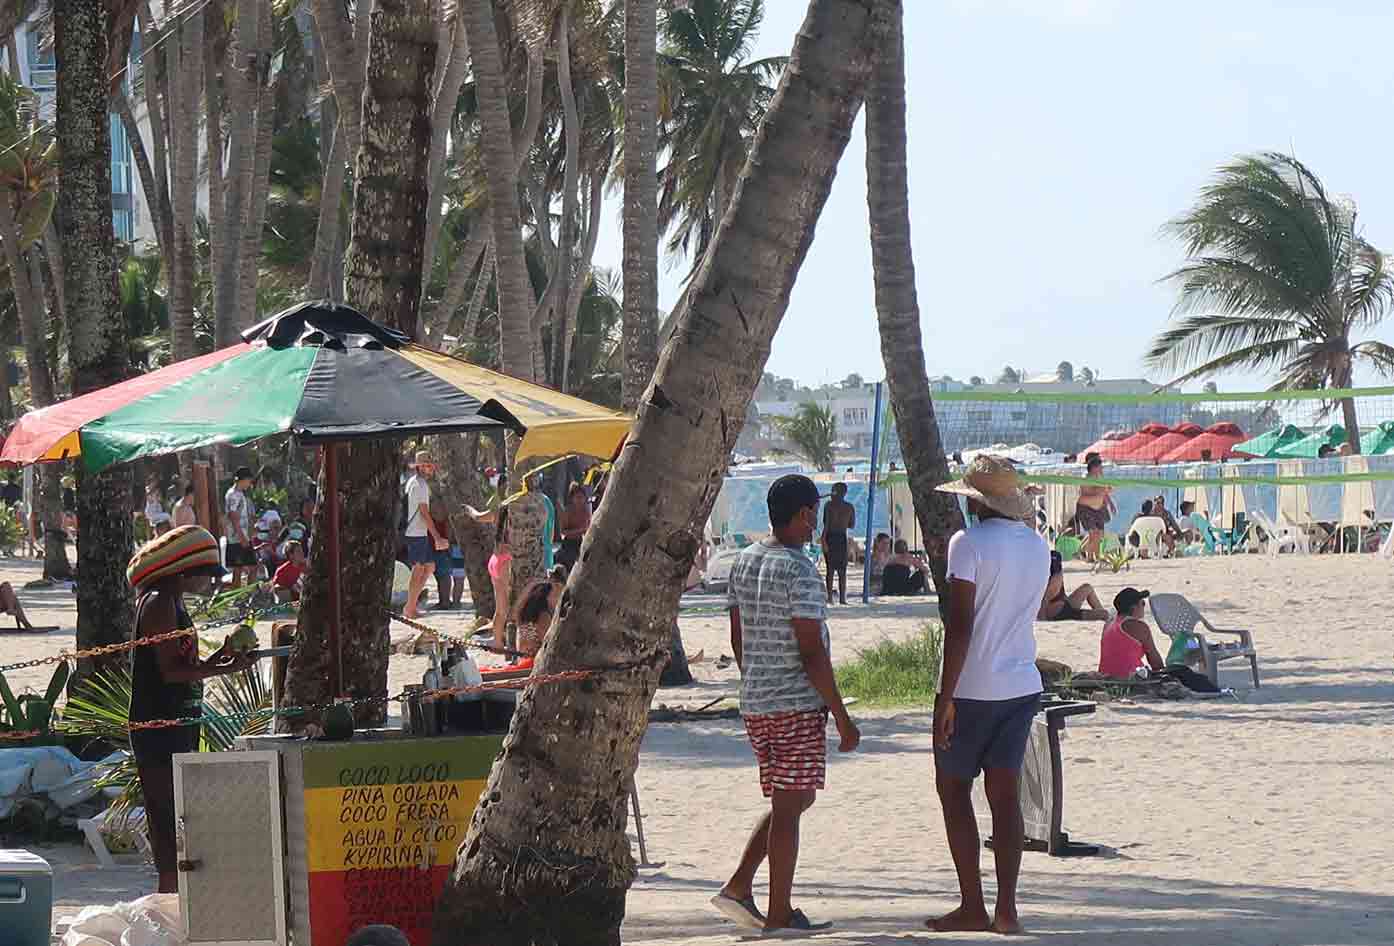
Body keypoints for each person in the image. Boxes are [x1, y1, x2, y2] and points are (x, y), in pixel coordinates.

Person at [713, 475, 859, 934]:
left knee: (790, 799)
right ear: (803, 514)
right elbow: (812, 652)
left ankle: (738, 886)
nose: (815, 520)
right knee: (791, 805)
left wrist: (756, 676)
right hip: (795, 704)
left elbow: (737, 636)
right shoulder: (799, 571)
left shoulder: (744, 562)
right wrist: (842, 716)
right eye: (812, 512)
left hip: (756, 701)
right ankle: (779, 912)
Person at [931, 455, 1048, 934]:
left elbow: (961, 625)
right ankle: (1007, 910)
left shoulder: (968, 543)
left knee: (953, 789)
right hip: (1021, 682)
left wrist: (945, 695)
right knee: (1004, 796)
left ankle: (972, 905)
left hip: (974, 686)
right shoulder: (1038, 547)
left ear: (976, 503)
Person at [127, 526, 253, 893]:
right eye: (205, 575)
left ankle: (177, 893)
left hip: (179, 721)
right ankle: (167, 894)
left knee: (180, 812)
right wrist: (226, 669)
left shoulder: (175, 603)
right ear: (182, 572)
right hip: (157, 726)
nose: (209, 583)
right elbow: (171, 672)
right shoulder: (158, 603)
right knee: (164, 816)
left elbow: (187, 665)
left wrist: (219, 657)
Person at [1101, 588, 1218, 692]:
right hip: (1130, 679)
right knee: (1182, 671)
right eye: (1142, 603)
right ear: (1133, 608)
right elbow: (1155, 662)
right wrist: (1165, 676)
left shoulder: (1109, 624)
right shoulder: (1138, 626)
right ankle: (1215, 691)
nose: (1144, 606)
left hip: (1105, 678)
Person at [402, 452, 445, 620]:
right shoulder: (419, 484)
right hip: (415, 533)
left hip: (418, 532)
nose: (430, 468)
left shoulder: (416, 483)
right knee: (419, 568)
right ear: (420, 467)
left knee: (429, 567)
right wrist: (437, 537)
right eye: (427, 465)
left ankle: (410, 605)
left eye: (430, 465)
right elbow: (424, 512)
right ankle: (410, 607)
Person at [1038, 551, 1107, 621]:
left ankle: (1105, 618)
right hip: (1058, 611)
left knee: (1087, 588)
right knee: (1103, 614)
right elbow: (1049, 593)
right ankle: (1107, 620)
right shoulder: (1054, 572)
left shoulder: (1043, 567)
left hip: (1062, 605)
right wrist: (1042, 616)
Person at [513, 569, 564, 657]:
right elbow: (549, 641)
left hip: (522, 656)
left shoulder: (529, 612)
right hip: (534, 658)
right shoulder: (543, 615)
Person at [223, 467, 258, 589]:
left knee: (238, 570)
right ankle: (248, 596)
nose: (249, 483)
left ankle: (242, 598)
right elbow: (233, 516)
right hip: (238, 538)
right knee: (252, 568)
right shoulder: (233, 495)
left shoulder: (239, 494)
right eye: (249, 480)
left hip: (239, 537)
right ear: (243, 480)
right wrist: (242, 537)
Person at [820, 482, 855, 605]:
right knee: (842, 570)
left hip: (830, 536)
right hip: (841, 537)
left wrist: (823, 540)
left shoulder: (829, 505)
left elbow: (826, 524)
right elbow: (852, 525)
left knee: (831, 569)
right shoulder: (849, 507)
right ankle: (842, 598)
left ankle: (830, 597)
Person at [1074, 456, 1114, 561]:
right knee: (1094, 534)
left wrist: (1110, 503)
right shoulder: (1086, 478)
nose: (1102, 469)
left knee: (1098, 535)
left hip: (1098, 509)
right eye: (1100, 467)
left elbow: (1104, 492)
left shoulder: (1099, 479)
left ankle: (1090, 555)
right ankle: (1090, 556)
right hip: (1086, 508)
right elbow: (1090, 493)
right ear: (1094, 468)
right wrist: (1103, 489)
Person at [486, 510, 512, 648]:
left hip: (495, 559)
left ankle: (497, 642)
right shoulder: (514, 518)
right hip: (505, 561)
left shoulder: (497, 514)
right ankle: (508, 641)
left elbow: (478, 517)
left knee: (500, 609)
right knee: (509, 607)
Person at [556, 482, 591, 572]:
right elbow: (563, 532)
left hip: (581, 543)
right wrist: (580, 530)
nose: (580, 500)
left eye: (582, 497)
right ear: (572, 498)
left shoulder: (586, 510)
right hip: (568, 544)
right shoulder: (568, 512)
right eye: (577, 497)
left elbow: (588, 527)